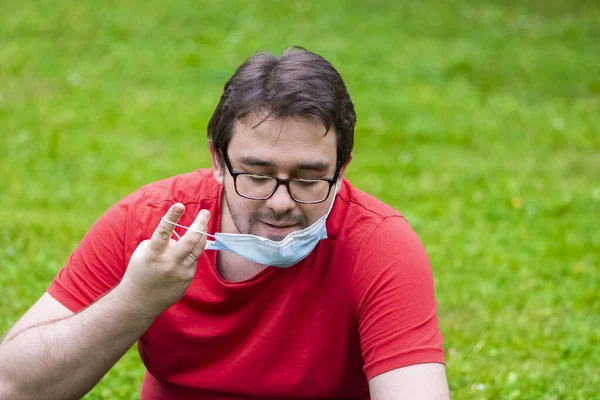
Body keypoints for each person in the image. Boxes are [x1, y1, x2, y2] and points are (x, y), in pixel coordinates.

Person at [0, 47, 449, 399]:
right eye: (256, 174)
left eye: (310, 179)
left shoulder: (377, 244)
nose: (280, 202)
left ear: (342, 169)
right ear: (217, 158)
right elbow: (12, 386)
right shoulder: (153, 222)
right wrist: (135, 300)